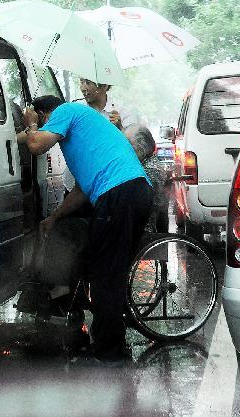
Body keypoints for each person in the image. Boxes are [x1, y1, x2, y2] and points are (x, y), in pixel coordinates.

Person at [20, 95, 153, 365]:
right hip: (135, 191)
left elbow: (35, 145)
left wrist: (31, 124)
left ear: (47, 114)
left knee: (105, 276)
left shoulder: (67, 110)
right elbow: (82, 190)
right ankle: (110, 341)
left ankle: (110, 354)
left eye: (43, 120)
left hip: (119, 194)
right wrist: (54, 218)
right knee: (110, 270)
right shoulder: (86, 131)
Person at [125, 124, 170, 237]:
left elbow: (141, 207)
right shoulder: (146, 164)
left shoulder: (150, 170)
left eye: (128, 144)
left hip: (146, 232)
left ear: (140, 147)